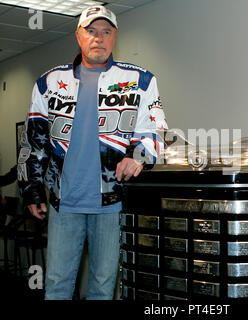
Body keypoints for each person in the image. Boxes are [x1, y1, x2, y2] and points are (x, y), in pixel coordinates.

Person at [17, 5, 167, 300]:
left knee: (103, 285)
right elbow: (34, 142)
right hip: (64, 203)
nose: (98, 38)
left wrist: (137, 156)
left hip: (111, 203)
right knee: (58, 285)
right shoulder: (48, 83)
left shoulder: (142, 80)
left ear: (114, 38)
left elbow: (155, 130)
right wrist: (31, 190)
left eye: (106, 32)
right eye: (91, 31)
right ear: (78, 36)